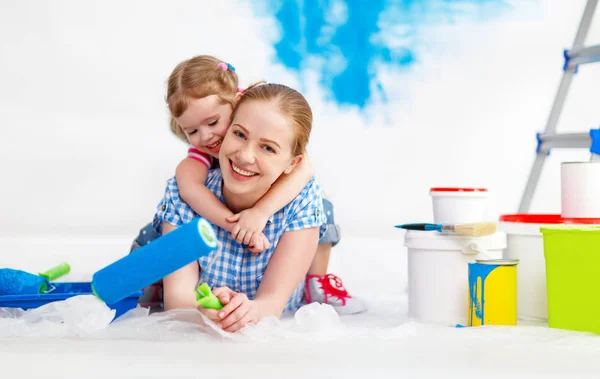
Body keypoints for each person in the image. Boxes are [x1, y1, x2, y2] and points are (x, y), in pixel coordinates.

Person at [132, 55, 366, 315]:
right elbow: (188, 191)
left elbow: (305, 170)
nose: (206, 136)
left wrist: (259, 213)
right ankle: (152, 282)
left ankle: (316, 281)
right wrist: (237, 226)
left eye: (213, 123)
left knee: (321, 203)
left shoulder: (294, 177)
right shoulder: (194, 166)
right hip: (203, 220)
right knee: (152, 243)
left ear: (234, 107)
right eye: (192, 131)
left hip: (267, 216)